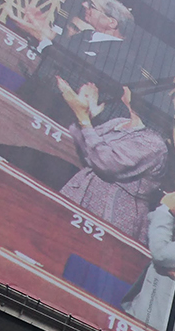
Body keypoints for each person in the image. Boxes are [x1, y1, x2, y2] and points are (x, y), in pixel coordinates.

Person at [10, 0, 145, 128]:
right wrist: (45, 31)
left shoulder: (123, 59)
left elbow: (76, 74)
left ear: (111, 22)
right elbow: (63, 52)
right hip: (34, 100)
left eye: (92, 5)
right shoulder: (86, 35)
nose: (84, 5)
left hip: (60, 122)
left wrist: (44, 41)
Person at [56, 82, 167, 241]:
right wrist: (85, 116)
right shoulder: (118, 123)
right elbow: (87, 152)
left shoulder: (154, 144)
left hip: (114, 212)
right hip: (81, 194)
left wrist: (84, 119)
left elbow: (108, 164)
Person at [123, 173, 175, 331]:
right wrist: (169, 213)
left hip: (156, 329)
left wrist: (166, 212)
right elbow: (150, 238)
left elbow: (161, 254)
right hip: (137, 314)